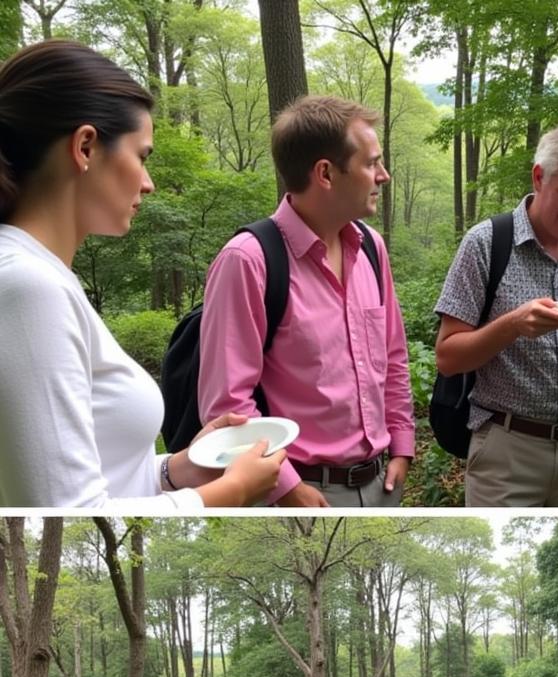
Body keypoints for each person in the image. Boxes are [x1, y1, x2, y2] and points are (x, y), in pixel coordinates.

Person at [0, 40, 284, 509]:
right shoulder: (28, 288)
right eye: (143, 155)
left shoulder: (44, 278)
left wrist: (179, 469)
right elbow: (67, 513)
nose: (148, 182)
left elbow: (103, 476)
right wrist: (227, 492)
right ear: (85, 146)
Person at [198, 96, 414, 508]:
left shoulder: (371, 247)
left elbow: (393, 355)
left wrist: (401, 445)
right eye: (371, 163)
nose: (383, 175)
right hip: (298, 492)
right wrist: (288, 488)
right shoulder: (248, 260)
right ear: (326, 174)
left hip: (383, 484)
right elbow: (228, 405)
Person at [435, 123, 558, 507]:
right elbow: (448, 357)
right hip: (507, 451)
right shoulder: (487, 243)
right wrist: (511, 326)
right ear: (539, 177)